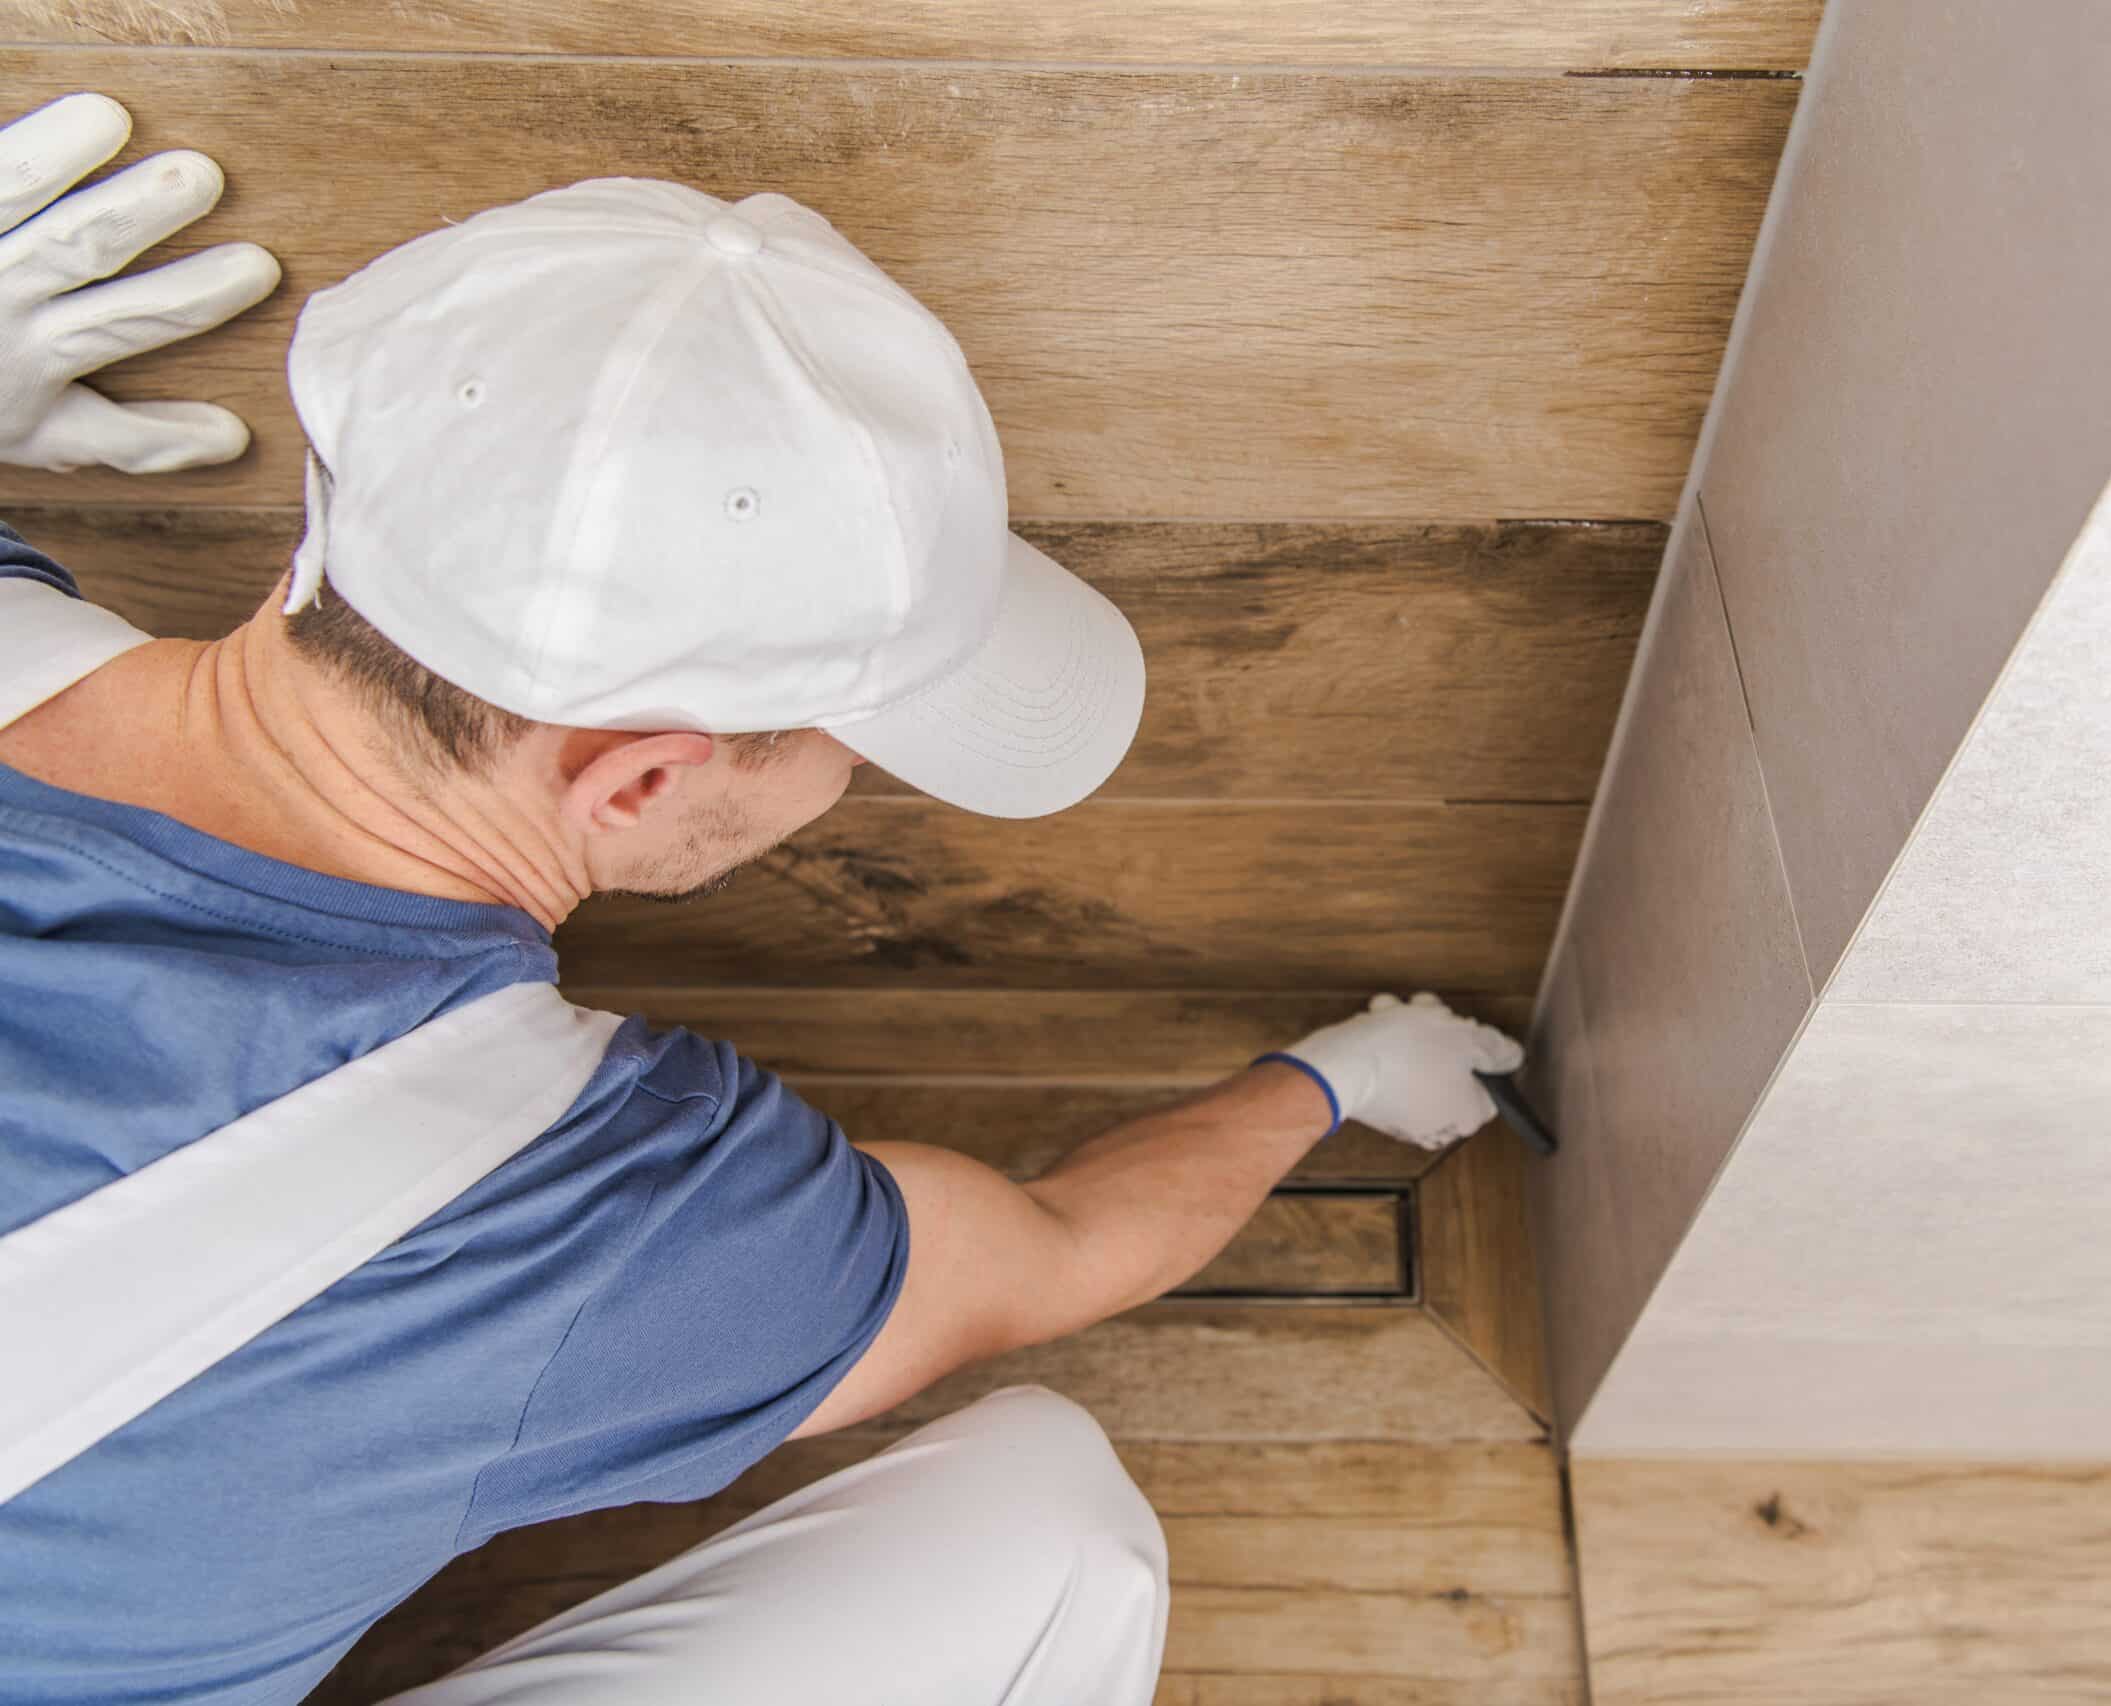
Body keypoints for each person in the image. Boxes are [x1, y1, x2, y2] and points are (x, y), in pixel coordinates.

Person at [0, 92, 1524, 1705]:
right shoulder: (604, 1215)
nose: (848, 785)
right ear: (638, 783)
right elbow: (1053, 1249)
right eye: (850, 743)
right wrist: (1336, 1077)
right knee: (1052, 1532)